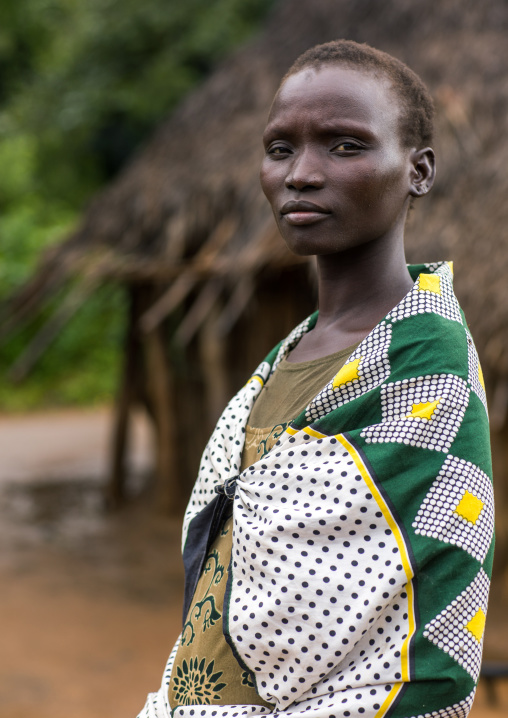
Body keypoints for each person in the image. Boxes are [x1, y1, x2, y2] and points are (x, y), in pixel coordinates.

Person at [137, 40, 493, 718]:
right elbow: (222, 594)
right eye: (280, 150)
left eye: (345, 146)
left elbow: (414, 651)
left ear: (418, 171)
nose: (301, 174)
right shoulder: (284, 360)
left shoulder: (422, 363)